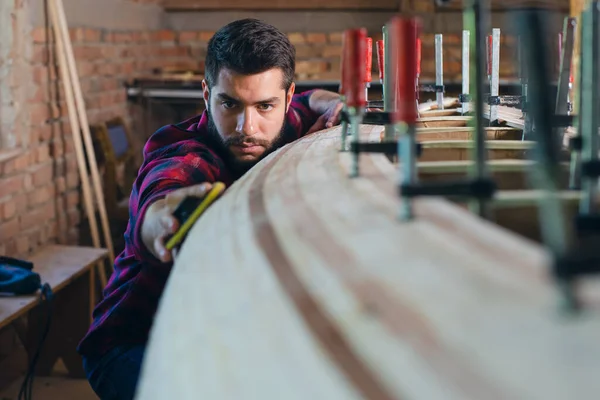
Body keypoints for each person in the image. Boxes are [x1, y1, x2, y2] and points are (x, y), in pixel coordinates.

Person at [76, 18, 344, 400]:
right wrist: (159, 220)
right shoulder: (184, 155)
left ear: (285, 98)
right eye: (229, 103)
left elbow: (307, 102)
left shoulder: (282, 121)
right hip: (131, 346)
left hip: (205, 327)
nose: (245, 127)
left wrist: (330, 101)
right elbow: (161, 194)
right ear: (206, 94)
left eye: (264, 105)